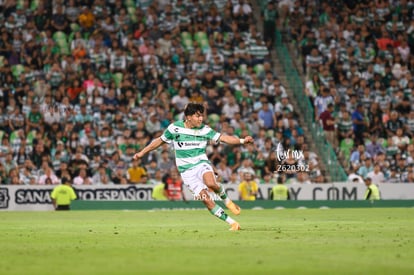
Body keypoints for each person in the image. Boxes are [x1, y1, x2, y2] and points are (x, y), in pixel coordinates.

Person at [133, 103, 254, 231]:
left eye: (201, 116)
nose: (200, 119)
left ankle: (227, 201)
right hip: (186, 171)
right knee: (206, 200)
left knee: (211, 183)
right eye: (197, 116)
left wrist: (242, 141)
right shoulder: (174, 128)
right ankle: (233, 223)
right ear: (188, 117)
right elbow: (158, 141)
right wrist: (142, 153)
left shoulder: (205, 129)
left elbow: (224, 138)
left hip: (201, 163)